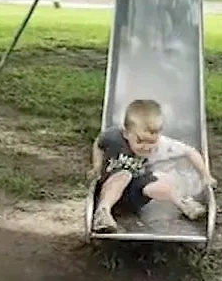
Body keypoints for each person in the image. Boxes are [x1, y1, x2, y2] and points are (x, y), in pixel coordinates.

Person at [89, 99, 214, 233]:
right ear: (126, 133)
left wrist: (205, 175)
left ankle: (183, 203)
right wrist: (97, 166)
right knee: (124, 174)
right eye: (140, 141)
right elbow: (99, 143)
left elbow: (190, 151)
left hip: (135, 195)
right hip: (110, 189)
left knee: (160, 178)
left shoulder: (162, 144)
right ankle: (103, 213)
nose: (146, 147)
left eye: (152, 142)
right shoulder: (114, 137)